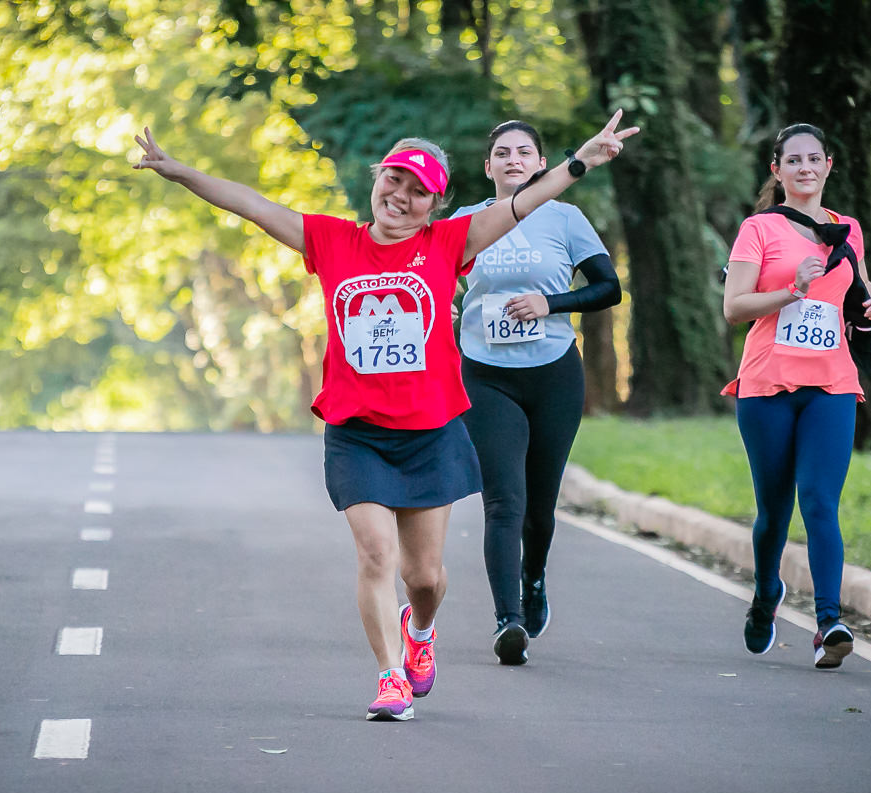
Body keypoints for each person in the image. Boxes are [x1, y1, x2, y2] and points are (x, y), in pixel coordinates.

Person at [133, 112, 638, 719]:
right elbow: (253, 205)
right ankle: (390, 676)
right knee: (377, 556)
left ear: (435, 205)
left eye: (418, 190)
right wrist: (181, 172)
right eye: (394, 180)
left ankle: (420, 631)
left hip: (431, 432)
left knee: (424, 578)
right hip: (358, 433)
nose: (401, 196)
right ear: (377, 181)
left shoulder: (450, 242)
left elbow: (526, 202)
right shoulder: (332, 241)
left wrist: (580, 162)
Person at [721, 122, 871, 670]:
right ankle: (766, 594)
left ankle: (829, 623)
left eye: (814, 159)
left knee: (820, 500)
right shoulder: (759, 228)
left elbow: (857, 295)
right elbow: (734, 307)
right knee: (774, 511)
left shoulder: (848, 230)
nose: (805, 168)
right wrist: (792, 289)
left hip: (832, 383)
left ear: (828, 166)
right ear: (777, 171)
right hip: (767, 385)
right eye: (793, 160)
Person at [451, 120, 623, 665]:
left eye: (524, 152)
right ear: (488, 166)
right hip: (485, 376)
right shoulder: (465, 220)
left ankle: (535, 577)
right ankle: (508, 621)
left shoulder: (564, 217)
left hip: (553, 375)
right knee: (504, 500)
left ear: (541, 163)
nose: (513, 160)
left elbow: (609, 288)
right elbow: (428, 278)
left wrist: (552, 304)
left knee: (540, 507)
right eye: (502, 152)